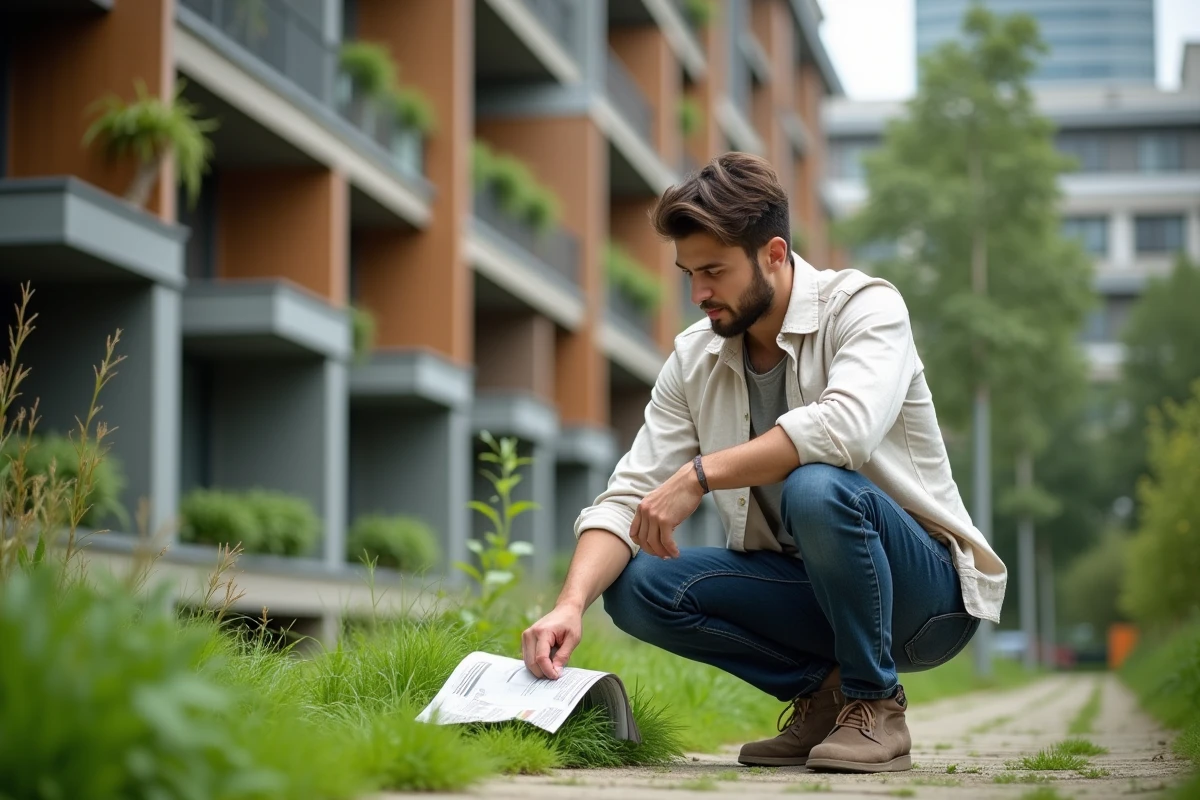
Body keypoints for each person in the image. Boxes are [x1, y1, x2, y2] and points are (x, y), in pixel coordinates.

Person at [520, 152, 1007, 773]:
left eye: (714, 271)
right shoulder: (695, 359)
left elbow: (844, 431)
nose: (698, 294)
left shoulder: (866, 308)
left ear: (774, 254)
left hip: (923, 599)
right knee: (636, 589)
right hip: (808, 590)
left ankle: (876, 704)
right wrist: (569, 604)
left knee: (816, 487)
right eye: (688, 273)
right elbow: (627, 497)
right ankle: (827, 700)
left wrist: (699, 475)